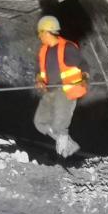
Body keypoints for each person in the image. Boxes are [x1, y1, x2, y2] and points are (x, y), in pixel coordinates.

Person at [33, 15, 88, 157]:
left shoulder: (67, 48)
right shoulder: (43, 50)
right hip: (49, 92)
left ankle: (62, 158)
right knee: (40, 123)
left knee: (59, 126)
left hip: (65, 91)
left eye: (40, 33)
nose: (39, 36)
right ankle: (69, 145)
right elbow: (39, 71)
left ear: (46, 32)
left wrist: (84, 78)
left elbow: (83, 64)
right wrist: (39, 80)